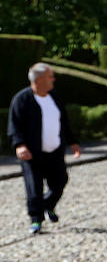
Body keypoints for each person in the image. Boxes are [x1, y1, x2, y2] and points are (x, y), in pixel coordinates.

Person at [8, 63, 81, 235]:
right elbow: (14, 125)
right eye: (50, 76)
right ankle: (36, 220)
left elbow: (63, 120)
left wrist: (72, 141)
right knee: (34, 186)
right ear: (39, 80)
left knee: (60, 180)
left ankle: (47, 205)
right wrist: (20, 145)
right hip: (32, 153)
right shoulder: (22, 99)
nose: (53, 79)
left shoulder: (53, 96)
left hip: (55, 150)